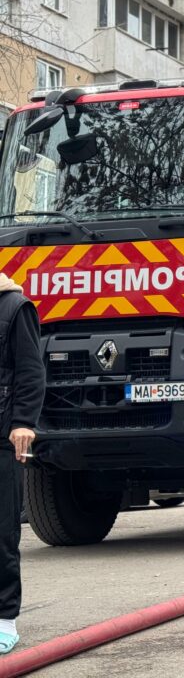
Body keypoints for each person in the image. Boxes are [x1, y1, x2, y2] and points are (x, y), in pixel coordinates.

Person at [0, 273, 43, 654]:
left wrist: (23, 423)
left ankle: (3, 618)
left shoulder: (15, 307)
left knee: (1, 531)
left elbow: (30, 369)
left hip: (1, 435)